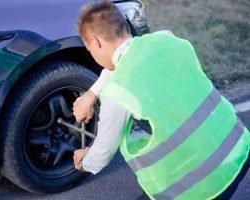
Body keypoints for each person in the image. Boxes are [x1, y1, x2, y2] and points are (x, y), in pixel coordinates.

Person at [72, 1, 250, 199]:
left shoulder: (117, 93)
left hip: (204, 185)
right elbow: (124, 63)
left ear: (95, 42)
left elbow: (102, 155)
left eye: (89, 49)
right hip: (238, 147)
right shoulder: (167, 38)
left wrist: (85, 160)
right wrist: (90, 94)